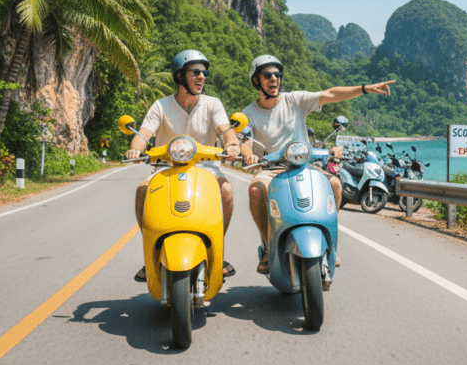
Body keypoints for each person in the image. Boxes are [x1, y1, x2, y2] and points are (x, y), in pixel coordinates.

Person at [239, 54, 395, 273]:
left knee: (334, 185)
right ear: (257, 80)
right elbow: (244, 141)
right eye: (267, 75)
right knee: (256, 190)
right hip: (271, 169)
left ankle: (328, 242)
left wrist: (365, 88)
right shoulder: (249, 113)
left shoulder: (295, 100)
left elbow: (330, 93)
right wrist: (248, 155)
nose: (274, 79)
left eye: (277, 75)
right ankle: (268, 246)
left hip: (303, 165)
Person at [125, 49, 241, 282]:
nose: (202, 77)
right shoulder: (161, 105)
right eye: (196, 72)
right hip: (165, 169)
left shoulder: (213, 104)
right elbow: (144, 133)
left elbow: (226, 132)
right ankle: (152, 255)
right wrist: (136, 147)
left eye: (204, 72)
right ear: (180, 77)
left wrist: (232, 145)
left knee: (226, 191)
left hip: (206, 169)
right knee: (142, 191)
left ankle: (216, 250)